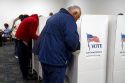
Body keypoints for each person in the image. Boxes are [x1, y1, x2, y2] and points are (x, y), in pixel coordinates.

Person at [37, 5, 81, 83]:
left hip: (45, 57)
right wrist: (78, 46)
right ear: (75, 13)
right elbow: (72, 41)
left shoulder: (53, 17)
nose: (76, 20)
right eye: (77, 17)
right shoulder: (69, 19)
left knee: (47, 80)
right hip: (56, 60)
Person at [15, 14, 39, 80]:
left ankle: (26, 74)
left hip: (20, 39)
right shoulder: (34, 21)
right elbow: (32, 33)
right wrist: (39, 38)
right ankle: (25, 76)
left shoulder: (29, 19)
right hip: (22, 40)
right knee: (24, 60)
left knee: (24, 59)